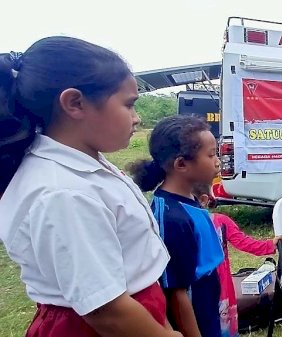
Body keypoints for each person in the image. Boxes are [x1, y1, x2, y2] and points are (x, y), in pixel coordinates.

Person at [0, 38, 178, 337]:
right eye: (129, 104)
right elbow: (107, 311)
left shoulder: (85, 165)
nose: (137, 118)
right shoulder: (63, 192)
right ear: (75, 103)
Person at [130, 115, 225, 337]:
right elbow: (176, 292)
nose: (218, 161)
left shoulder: (190, 199)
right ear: (181, 164)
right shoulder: (171, 218)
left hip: (207, 296)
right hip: (192, 307)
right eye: (211, 155)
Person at [193, 183, 281, 337]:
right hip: (205, 286)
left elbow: (243, 242)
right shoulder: (215, 221)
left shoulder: (220, 222)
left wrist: (269, 245)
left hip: (215, 285)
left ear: (203, 199)